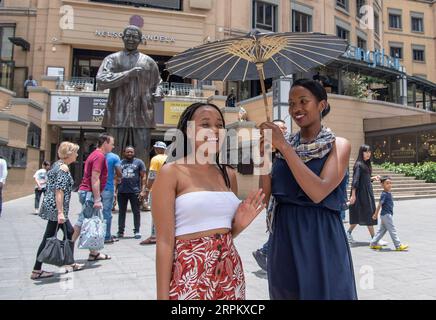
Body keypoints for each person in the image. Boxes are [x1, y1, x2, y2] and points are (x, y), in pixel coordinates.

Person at [153, 102, 265, 300]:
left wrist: (239, 224)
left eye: (219, 125)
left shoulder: (228, 174)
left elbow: (226, 233)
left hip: (229, 270)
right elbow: (164, 241)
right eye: (205, 124)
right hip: (189, 271)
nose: (215, 130)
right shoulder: (171, 172)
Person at [259, 79, 357, 300]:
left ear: (321, 105)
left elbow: (318, 191)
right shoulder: (284, 147)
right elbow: (265, 198)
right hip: (284, 235)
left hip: (321, 236)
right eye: (291, 103)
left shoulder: (338, 145)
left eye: (303, 101)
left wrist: (283, 146)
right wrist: (263, 156)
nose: (296, 109)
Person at [96, 25, 161, 164]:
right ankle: (110, 183)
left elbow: (158, 83)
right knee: (113, 153)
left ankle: (141, 184)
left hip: (142, 114)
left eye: (135, 37)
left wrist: (158, 93)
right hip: (117, 115)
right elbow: (101, 80)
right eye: (128, 36)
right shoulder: (112, 59)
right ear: (122, 37)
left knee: (142, 154)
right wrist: (128, 74)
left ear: (140, 40)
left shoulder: (148, 62)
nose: (131, 39)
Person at [31, 142, 83, 280]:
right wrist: (60, 212)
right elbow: (59, 191)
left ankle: (69, 262)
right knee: (48, 237)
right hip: (57, 209)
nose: (77, 154)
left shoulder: (56, 165)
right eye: (76, 152)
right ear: (69, 153)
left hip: (54, 207)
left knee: (69, 232)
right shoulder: (63, 168)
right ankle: (37, 270)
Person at [252, 119, 288, 272]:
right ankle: (264, 252)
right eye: (280, 128)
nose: (284, 130)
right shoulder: (267, 151)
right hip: (276, 201)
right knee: (278, 230)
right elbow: (266, 191)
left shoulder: (292, 148)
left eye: (284, 128)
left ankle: (266, 252)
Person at [73, 133, 113, 261]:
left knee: (91, 221)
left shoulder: (95, 155)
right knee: (82, 221)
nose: (113, 146)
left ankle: (94, 253)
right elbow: (95, 178)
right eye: (112, 143)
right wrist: (97, 199)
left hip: (87, 192)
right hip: (90, 193)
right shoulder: (99, 156)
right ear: (105, 142)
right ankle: (67, 249)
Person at [347, 144, 380, 243]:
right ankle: (374, 238)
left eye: (369, 152)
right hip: (360, 194)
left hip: (366, 193)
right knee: (368, 214)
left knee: (360, 215)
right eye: (366, 152)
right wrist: (353, 195)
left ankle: (348, 233)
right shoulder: (358, 165)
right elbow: (355, 180)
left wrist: (372, 178)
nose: (368, 154)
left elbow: (364, 179)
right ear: (361, 152)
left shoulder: (366, 164)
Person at [370, 176, 409, 251]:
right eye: (387, 183)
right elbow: (379, 205)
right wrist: (375, 214)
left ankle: (373, 244)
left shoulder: (388, 193)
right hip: (386, 215)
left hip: (386, 215)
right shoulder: (384, 194)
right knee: (392, 230)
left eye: (390, 183)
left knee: (382, 231)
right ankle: (398, 245)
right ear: (382, 184)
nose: (389, 185)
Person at [140, 141, 168, 245]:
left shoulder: (155, 159)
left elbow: (152, 175)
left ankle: (154, 236)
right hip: (168, 189)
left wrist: (146, 190)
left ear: (157, 149)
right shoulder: (169, 158)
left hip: (157, 189)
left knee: (156, 213)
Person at [117, 146, 147, 239]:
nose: (129, 153)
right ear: (124, 153)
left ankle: (137, 231)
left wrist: (143, 190)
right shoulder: (120, 163)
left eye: (131, 152)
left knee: (136, 212)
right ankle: (120, 231)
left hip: (135, 191)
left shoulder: (139, 162)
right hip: (122, 191)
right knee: (121, 212)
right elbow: (116, 177)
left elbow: (144, 177)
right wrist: (115, 191)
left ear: (134, 153)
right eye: (127, 152)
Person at [102, 151, 122, 244]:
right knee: (107, 213)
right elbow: (119, 172)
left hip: (95, 188)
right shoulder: (114, 157)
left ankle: (96, 234)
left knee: (95, 213)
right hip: (107, 187)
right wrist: (119, 177)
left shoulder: (94, 155)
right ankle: (106, 236)